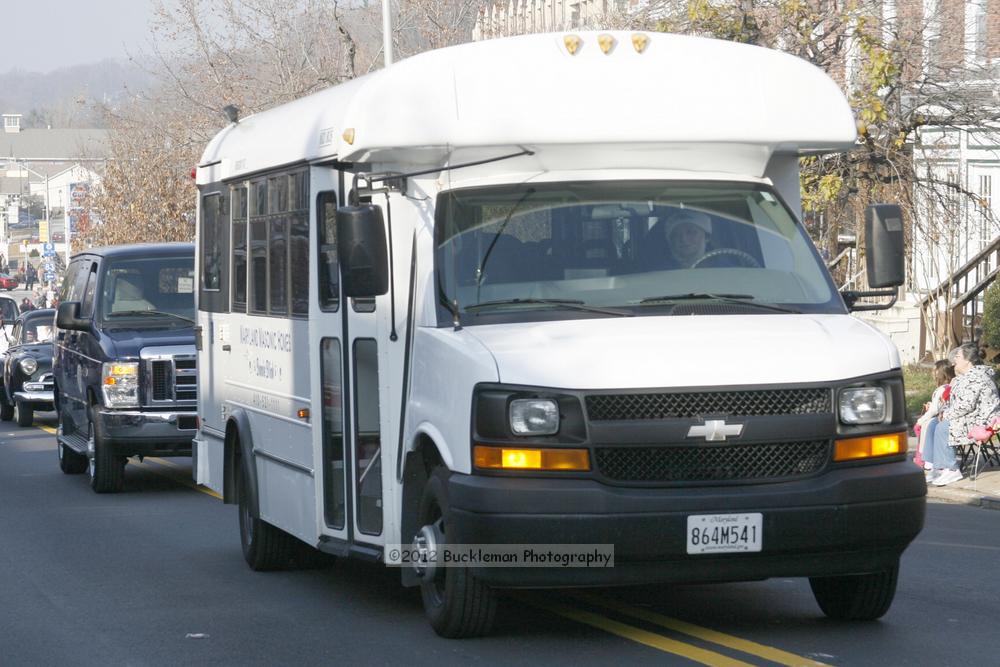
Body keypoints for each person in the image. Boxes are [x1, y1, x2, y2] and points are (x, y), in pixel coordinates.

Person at [927, 343, 1000, 486]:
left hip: (983, 421)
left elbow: (966, 405)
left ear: (968, 360)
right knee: (933, 424)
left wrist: (946, 414)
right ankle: (936, 466)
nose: (954, 361)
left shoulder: (977, 377)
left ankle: (951, 469)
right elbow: (956, 402)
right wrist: (943, 412)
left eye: (958, 357)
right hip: (969, 416)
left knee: (943, 427)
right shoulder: (965, 377)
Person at [914, 359, 954, 471]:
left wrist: (920, 421)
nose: (932, 373)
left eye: (934, 370)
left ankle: (926, 459)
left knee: (925, 425)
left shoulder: (941, 389)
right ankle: (927, 459)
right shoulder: (948, 387)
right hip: (945, 416)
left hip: (942, 418)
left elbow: (933, 410)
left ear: (940, 373)